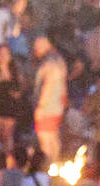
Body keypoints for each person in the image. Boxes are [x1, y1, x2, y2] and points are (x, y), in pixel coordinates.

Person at [32, 37, 68, 165]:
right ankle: (54, 165)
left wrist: (40, 107)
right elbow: (63, 86)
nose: (35, 51)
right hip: (57, 107)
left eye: (36, 48)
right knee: (53, 138)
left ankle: (47, 167)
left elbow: (47, 86)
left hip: (46, 108)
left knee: (45, 140)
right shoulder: (60, 61)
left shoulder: (49, 64)